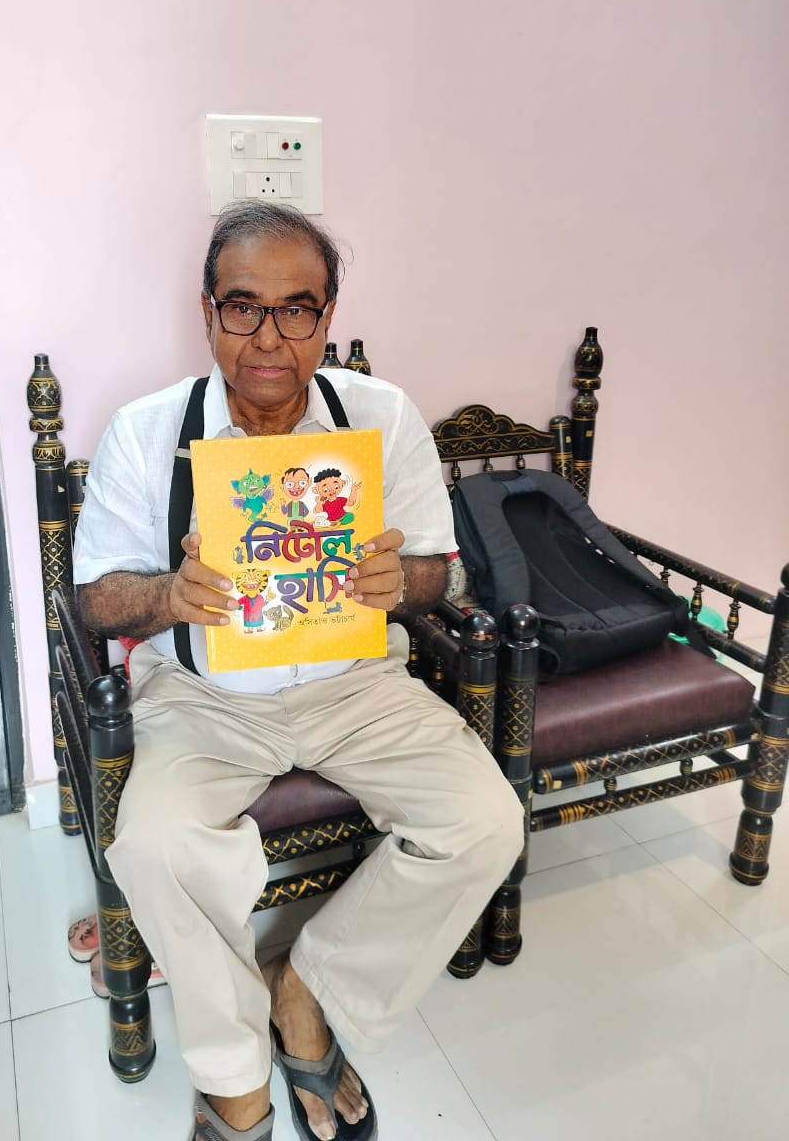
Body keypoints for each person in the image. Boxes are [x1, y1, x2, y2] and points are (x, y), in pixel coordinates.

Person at [73, 202, 523, 1141]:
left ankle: (308, 991)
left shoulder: (380, 416)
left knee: (485, 824)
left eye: (297, 308)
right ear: (207, 311)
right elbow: (96, 601)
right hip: (203, 694)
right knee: (155, 843)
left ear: (327, 316)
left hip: (355, 685)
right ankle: (234, 1078)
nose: (269, 337)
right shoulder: (147, 431)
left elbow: (446, 572)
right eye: (243, 307)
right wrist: (169, 596)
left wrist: (407, 582)